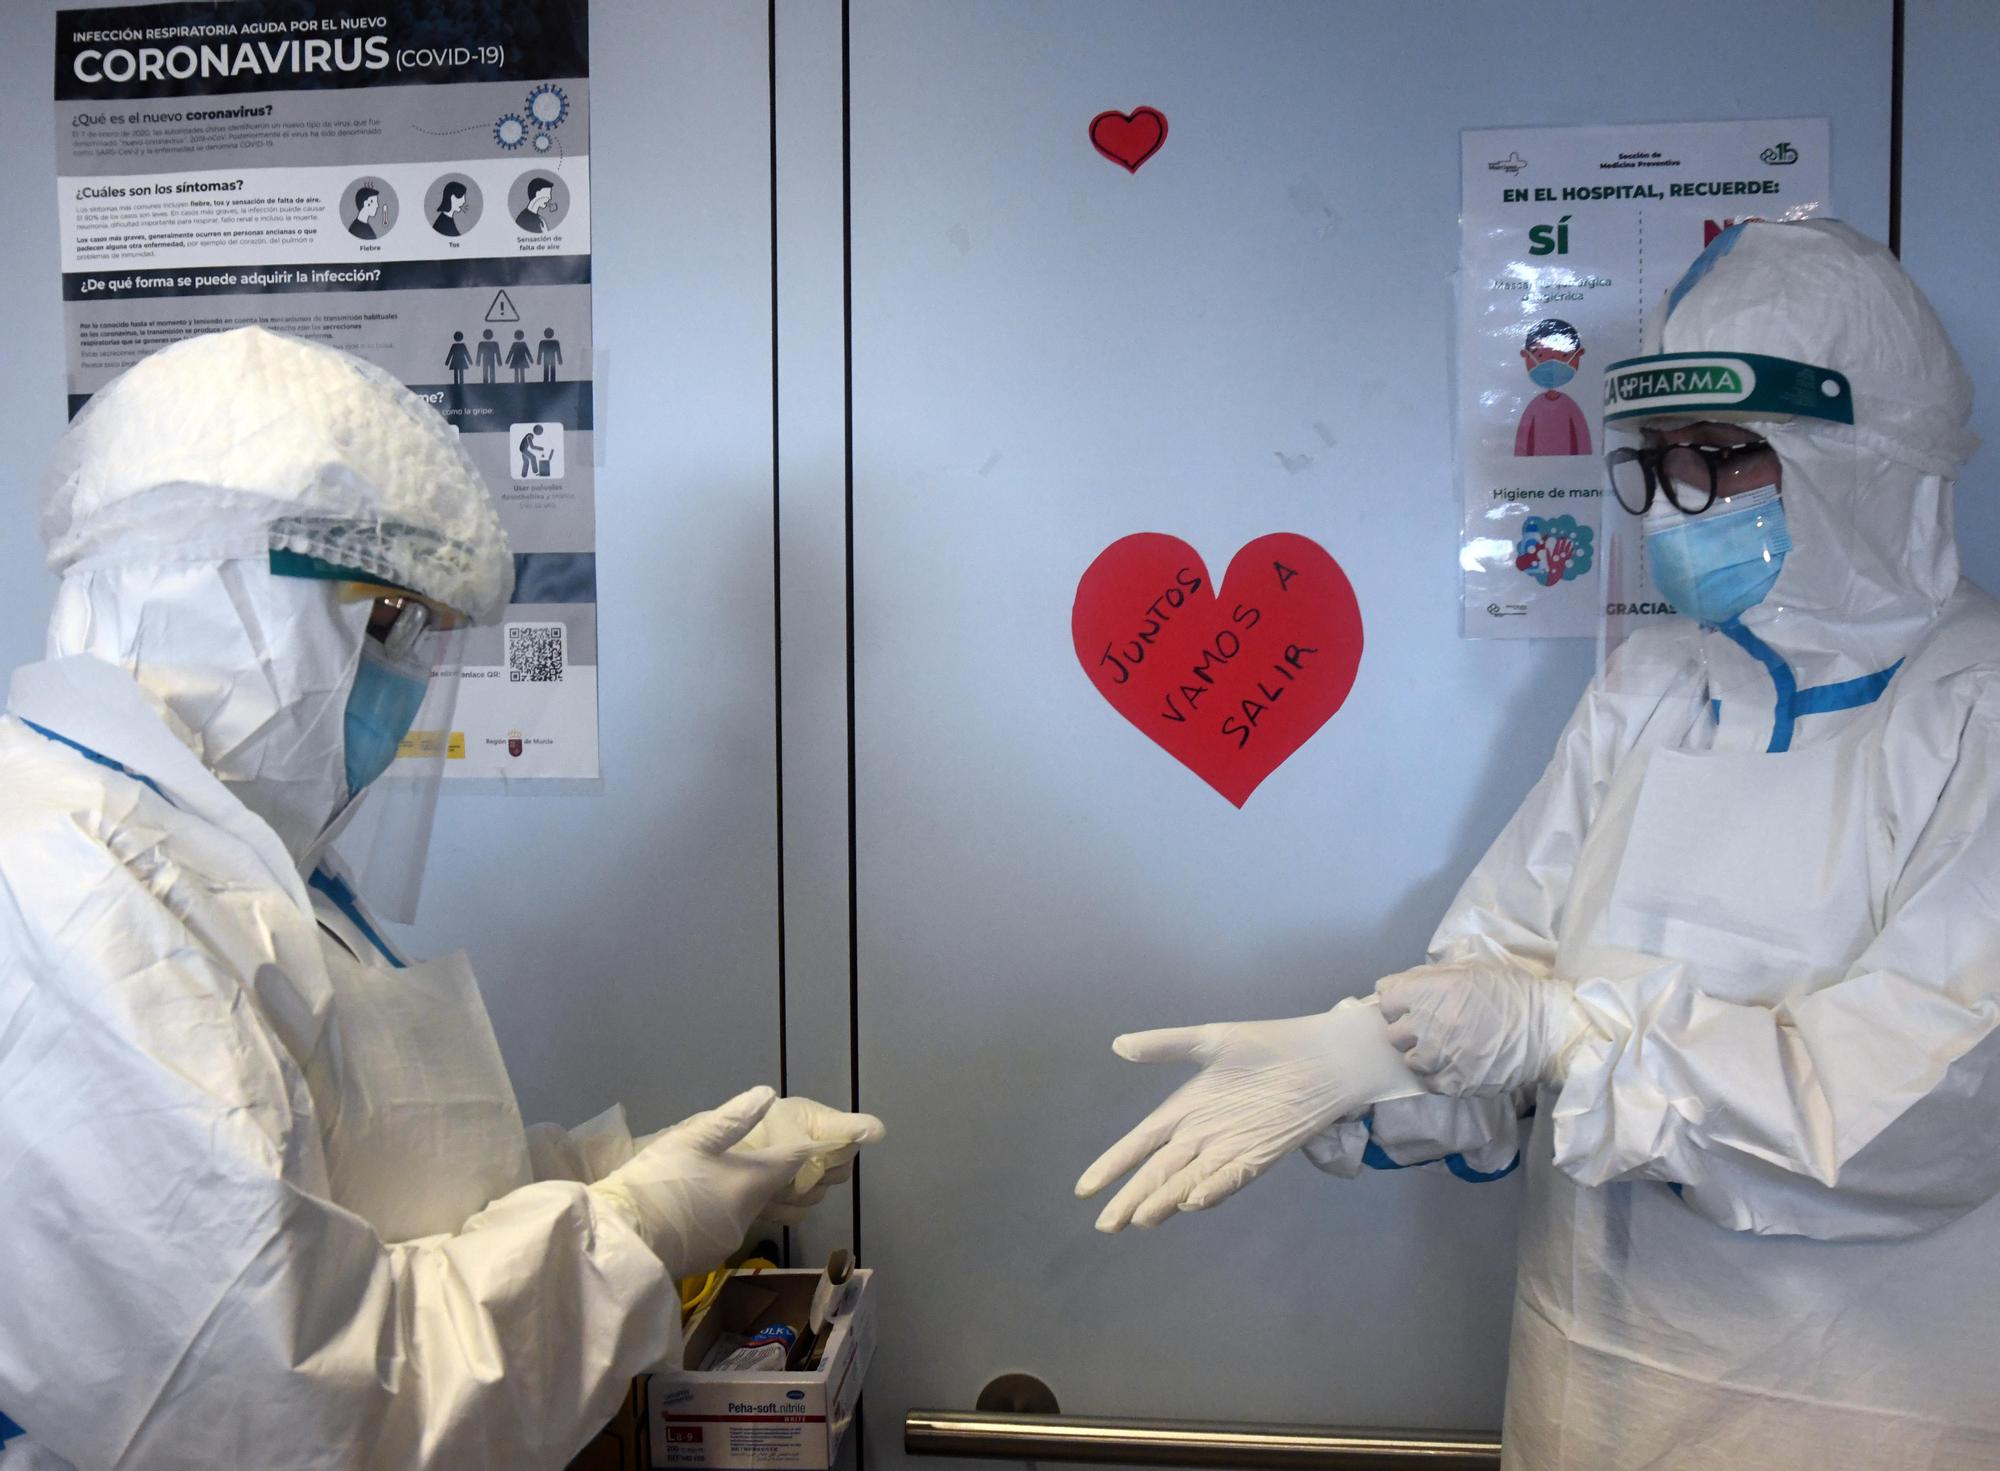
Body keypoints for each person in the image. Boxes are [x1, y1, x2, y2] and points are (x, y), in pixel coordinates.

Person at [1078, 219, 2000, 1467]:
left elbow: (1919, 1103)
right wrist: (1365, 1059)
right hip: (1588, 1385)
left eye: (1723, 457)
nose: (1681, 502)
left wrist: (1563, 1032)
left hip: (1853, 1404)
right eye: (1661, 459)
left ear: (1866, 460)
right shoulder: (1657, 686)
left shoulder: (1974, 710)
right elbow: (1499, 967)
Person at [0, 326, 884, 1470]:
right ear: (209, 585)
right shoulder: (68, 896)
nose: (400, 681)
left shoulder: (225, 861)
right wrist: (640, 1223)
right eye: (382, 622)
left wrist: (622, 1172)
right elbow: (299, 1409)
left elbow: (382, 1187)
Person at [1512, 318, 1591, 457]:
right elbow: (1522, 442)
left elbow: (1582, 440)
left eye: (1564, 355)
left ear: (1578, 354)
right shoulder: (1534, 407)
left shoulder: (1570, 406)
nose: (1552, 362)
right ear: (1526, 355)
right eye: (1541, 355)